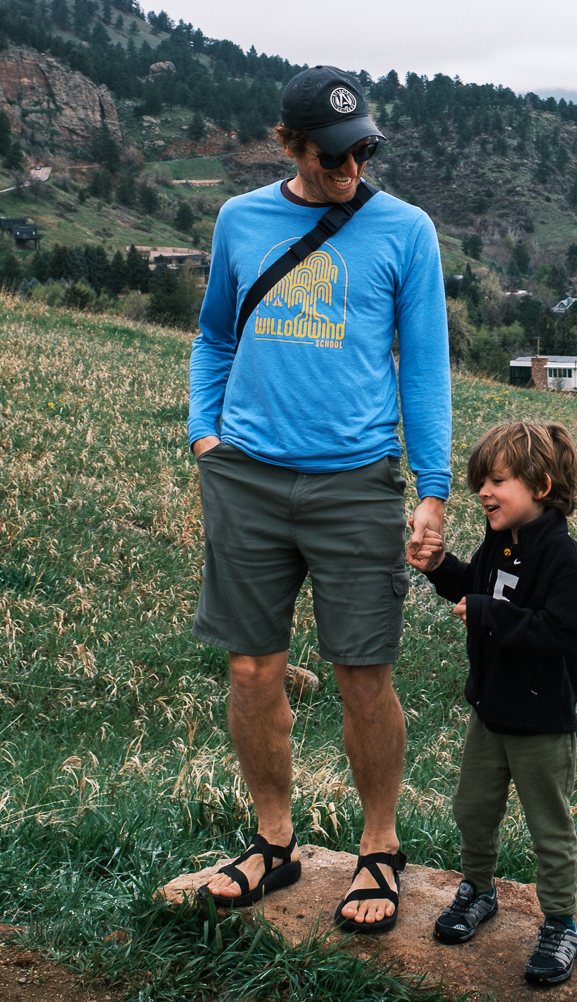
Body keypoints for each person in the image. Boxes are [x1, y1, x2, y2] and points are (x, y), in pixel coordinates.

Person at [187, 66, 450, 933]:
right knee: (251, 668)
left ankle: (380, 848)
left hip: (356, 480)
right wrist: (204, 432)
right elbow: (214, 334)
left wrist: (433, 489)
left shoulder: (406, 231)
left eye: (363, 149)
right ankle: (273, 842)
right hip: (247, 475)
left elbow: (426, 367)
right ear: (290, 145)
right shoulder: (240, 220)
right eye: (334, 155)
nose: (352, 168)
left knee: (363, 675)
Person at [406, 421, 577, 987]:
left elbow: (562, 630)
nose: (482, 492)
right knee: (474, 808)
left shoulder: (564, 558)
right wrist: (441, 568)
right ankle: (478, 890)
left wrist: (491, 616)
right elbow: (478, 588)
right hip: (489, 713)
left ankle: (560, 923)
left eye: (496, 481)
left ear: (541, 486)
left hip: (541, 723)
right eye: (480, 483)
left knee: (549, 829)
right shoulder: (500, 542)